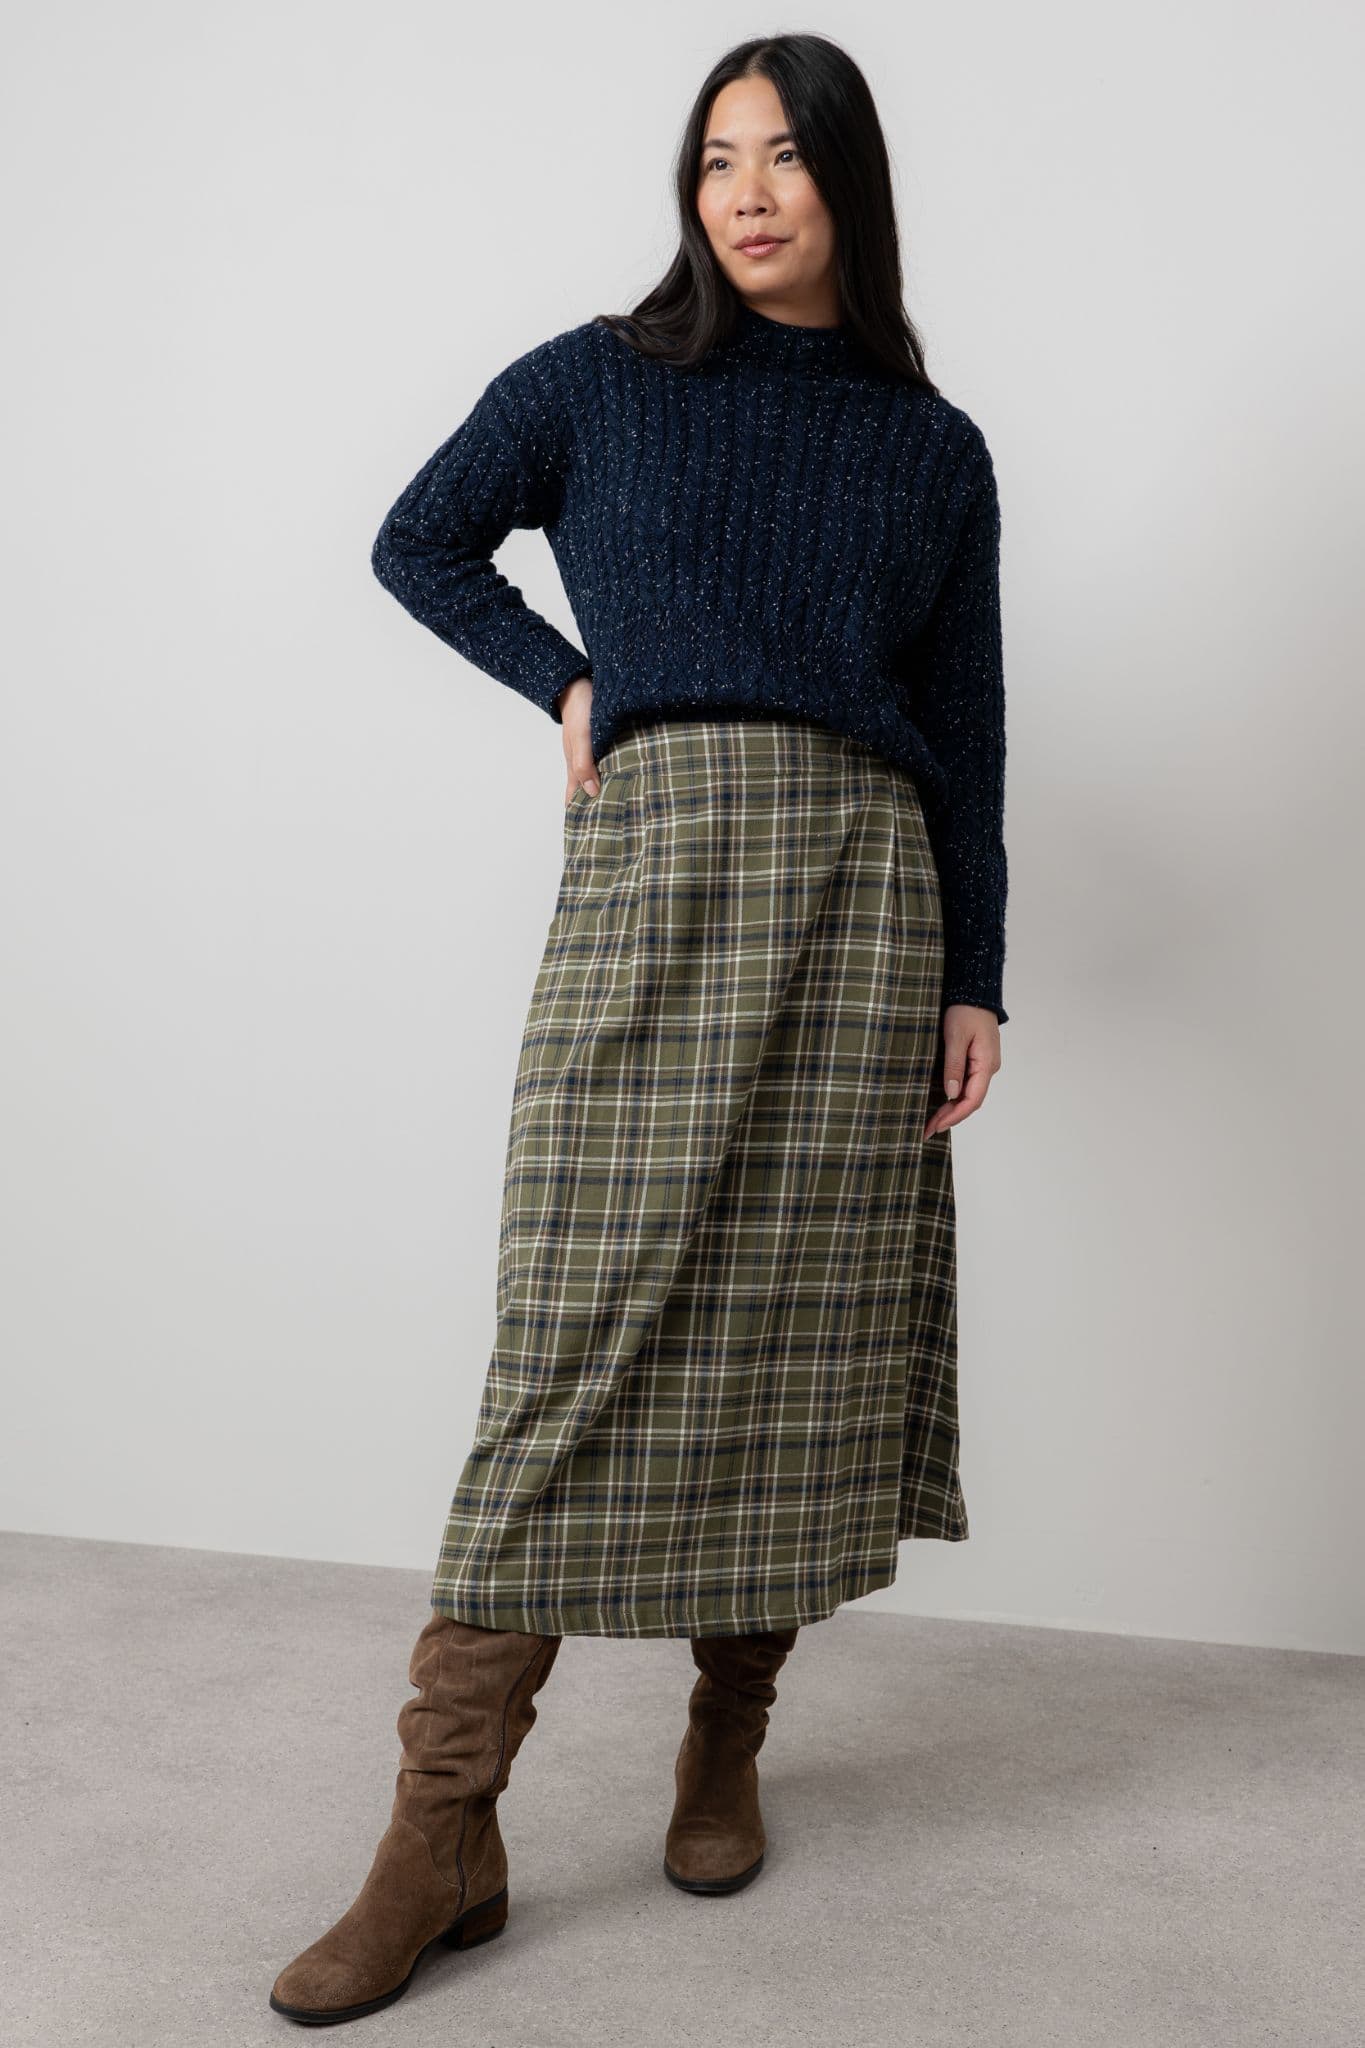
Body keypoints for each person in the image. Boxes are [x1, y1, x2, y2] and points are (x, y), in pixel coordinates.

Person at [269, 28, 1008, 2026]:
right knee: (572, 1333)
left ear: (848, 180)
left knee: (796, 1321)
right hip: (660, 877)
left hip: (863, 901)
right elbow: (419, 539)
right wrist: (564, 680)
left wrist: (974, 971)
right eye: (713, 160)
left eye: (783, 157)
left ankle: (724, 1742)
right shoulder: (597, 379)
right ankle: (443, 1829)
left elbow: (964, 729)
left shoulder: (929, 448)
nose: (745, 194)